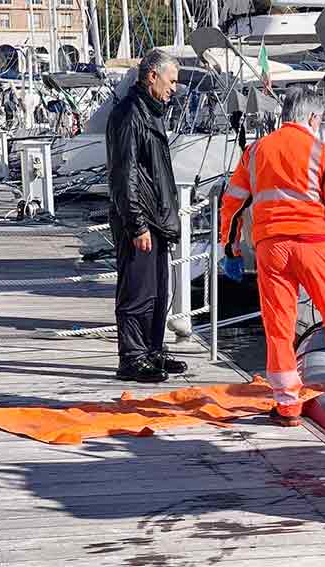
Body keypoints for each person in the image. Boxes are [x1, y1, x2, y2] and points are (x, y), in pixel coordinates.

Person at [220, 86, 325, 427]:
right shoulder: (322, 154)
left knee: (279, 326)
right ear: (312, 117)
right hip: (313, 245)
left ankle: (287, 405)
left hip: (270, 248)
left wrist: (231, 248)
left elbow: (232, 204)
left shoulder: (255, 152)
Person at [106, 49, 187, 383]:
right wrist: (136, 223)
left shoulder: (151, 112)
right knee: (137, 292)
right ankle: (132, 357)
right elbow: (124, 175)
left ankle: (152, 350)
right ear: (152, 75)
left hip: (155, 219)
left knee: (157, 292)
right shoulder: (129, 114)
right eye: (171, 80)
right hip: (139, 221)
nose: (174, 88)